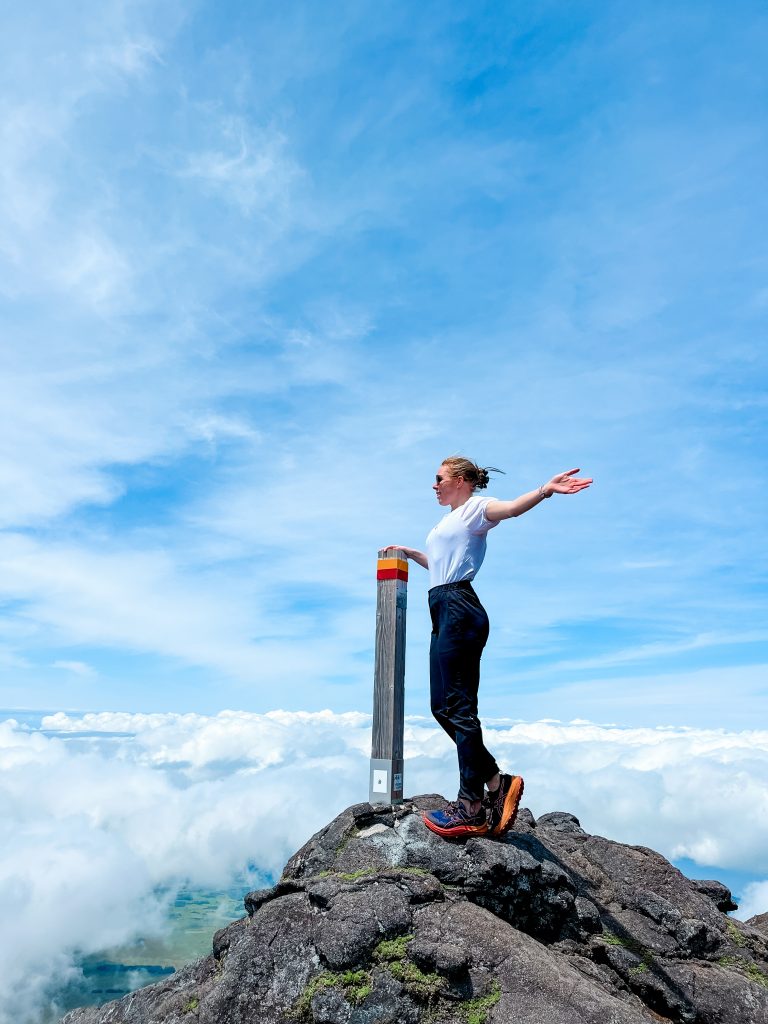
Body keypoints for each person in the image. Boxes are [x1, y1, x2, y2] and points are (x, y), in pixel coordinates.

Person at [391, 456, 592, 840]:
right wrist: (410, 553)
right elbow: (440, 564)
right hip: (442, 605)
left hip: (459, 608)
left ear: (462, 480)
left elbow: (511, 509)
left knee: (461, 708)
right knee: (442, 707)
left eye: (439, 479)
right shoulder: (448, 520)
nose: (433, 486)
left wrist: (545, 490)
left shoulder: (476, 510)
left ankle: (471, 807)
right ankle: (497, 783)